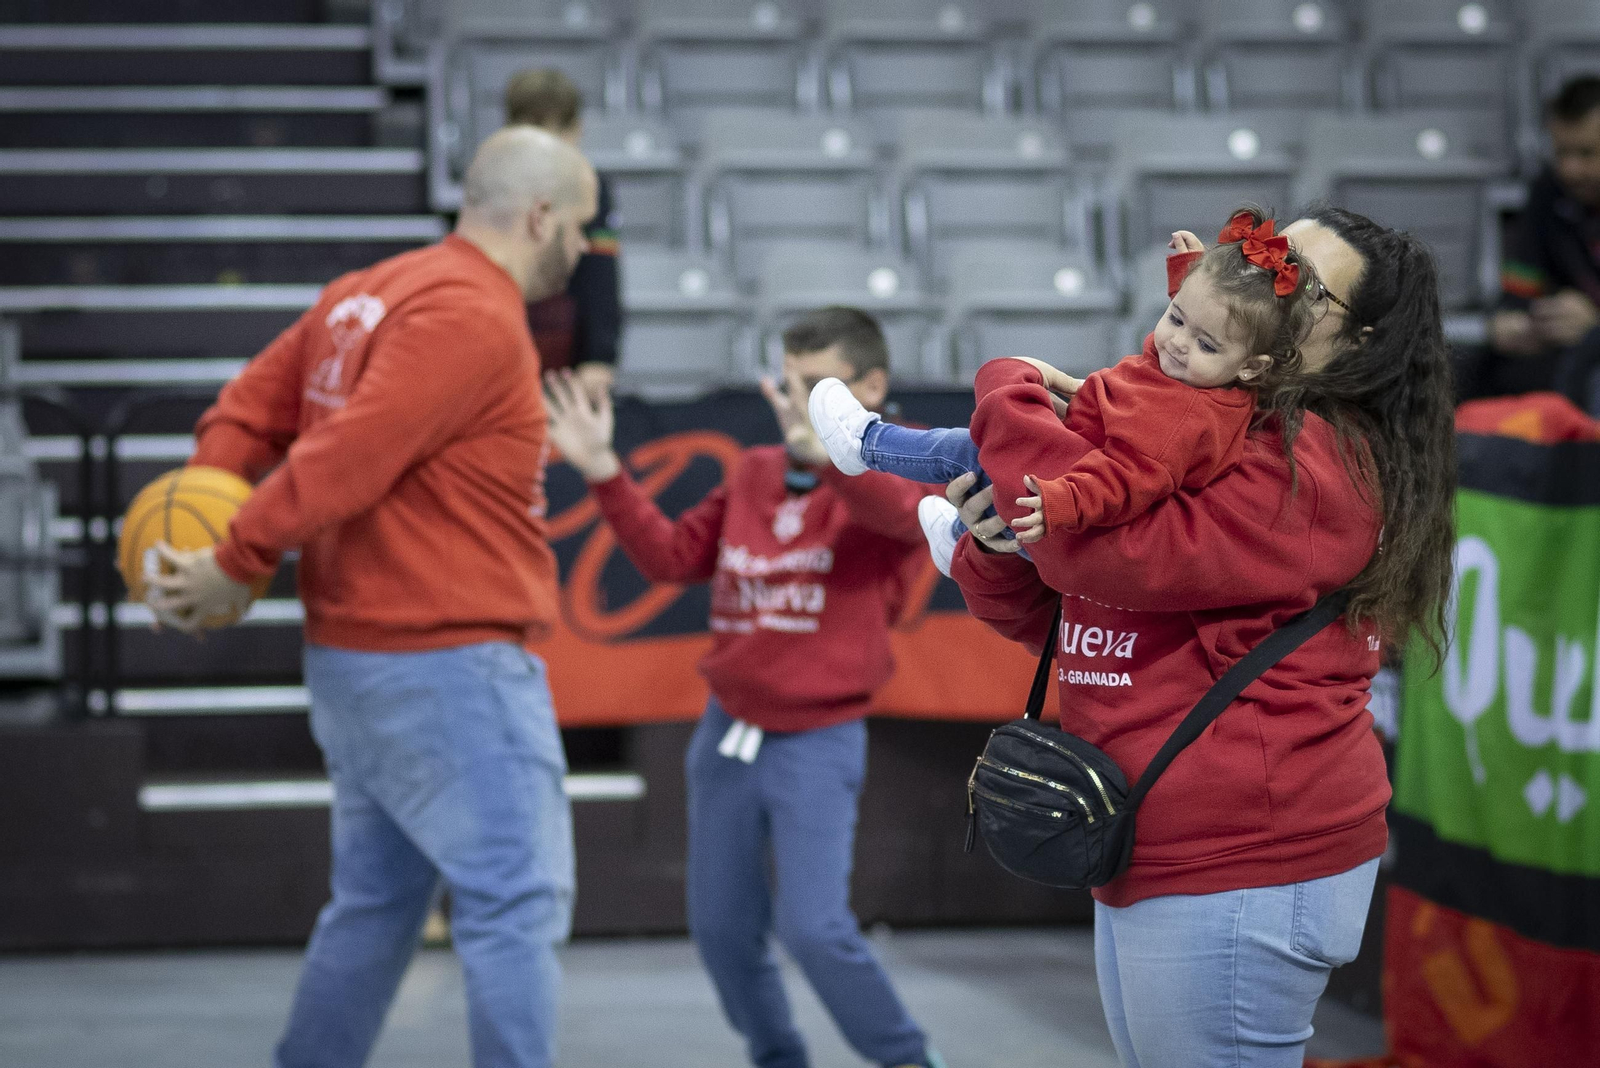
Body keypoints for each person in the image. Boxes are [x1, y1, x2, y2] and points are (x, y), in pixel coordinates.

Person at [937, 206, 1457, 1068]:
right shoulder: (1202, 422)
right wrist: (994, 542)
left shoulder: (1319, 463)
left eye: (1305, 281)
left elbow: (1093, 553)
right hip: (1153, 834)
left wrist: (1005, 393)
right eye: (1270, 255)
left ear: (1359, 341)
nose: (1272, 278)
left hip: (1247, 851)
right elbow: (1067, 616)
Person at [148, 126, 598, 1068]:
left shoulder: (362, 293)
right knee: (517, 901)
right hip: (450, 660)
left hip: (357, 661)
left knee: (378, 905)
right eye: (583, 227)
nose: (586, 251)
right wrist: (233, 554)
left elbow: (246, 413)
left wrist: (193, 532)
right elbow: (348, 456)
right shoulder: (473, 316)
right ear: (541, 215)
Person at [543, 307, 947, 1068]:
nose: (797, 403)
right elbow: (670, 558)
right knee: (723, 933)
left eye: (819, 387)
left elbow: (900, 522)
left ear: (872, 387)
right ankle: (776, 1055)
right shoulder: (755, 471)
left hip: (819, 742)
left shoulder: (897, 469)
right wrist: (602, 469)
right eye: (790, 385)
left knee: (814, 929)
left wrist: (836, 452)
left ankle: (909, 1059)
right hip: (725, 736)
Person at [809, 212, 1313, 574]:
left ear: (1252, 367)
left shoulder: (1184, 418)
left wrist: (1063, 501)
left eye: (1204, 343)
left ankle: (866, 444)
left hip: (1072, 509)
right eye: (1175, 316)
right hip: (1073, 475)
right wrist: (1190, 275)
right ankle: (958, 537)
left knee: (965, 450)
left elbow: (1128, 477)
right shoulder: (1200, 377)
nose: (1178, 343)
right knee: (979, 458)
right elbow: (1189, 329)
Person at [505, 67, 622, 398]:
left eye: (558, 131)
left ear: (578, 130)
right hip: (504, 344)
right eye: (535, 128)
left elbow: (601, 274)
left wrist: (600, 356)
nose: (546, 144)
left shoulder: (592, 189)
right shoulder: (492, 188)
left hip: (569, 351)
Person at [1487, 75, 1600, 406]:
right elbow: (1521, 286)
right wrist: (1511, 321)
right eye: (1561, 153)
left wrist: (1595, 326)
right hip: (1559, 354)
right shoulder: (1548, 191)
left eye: (1587, 153)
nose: (1570, 169)